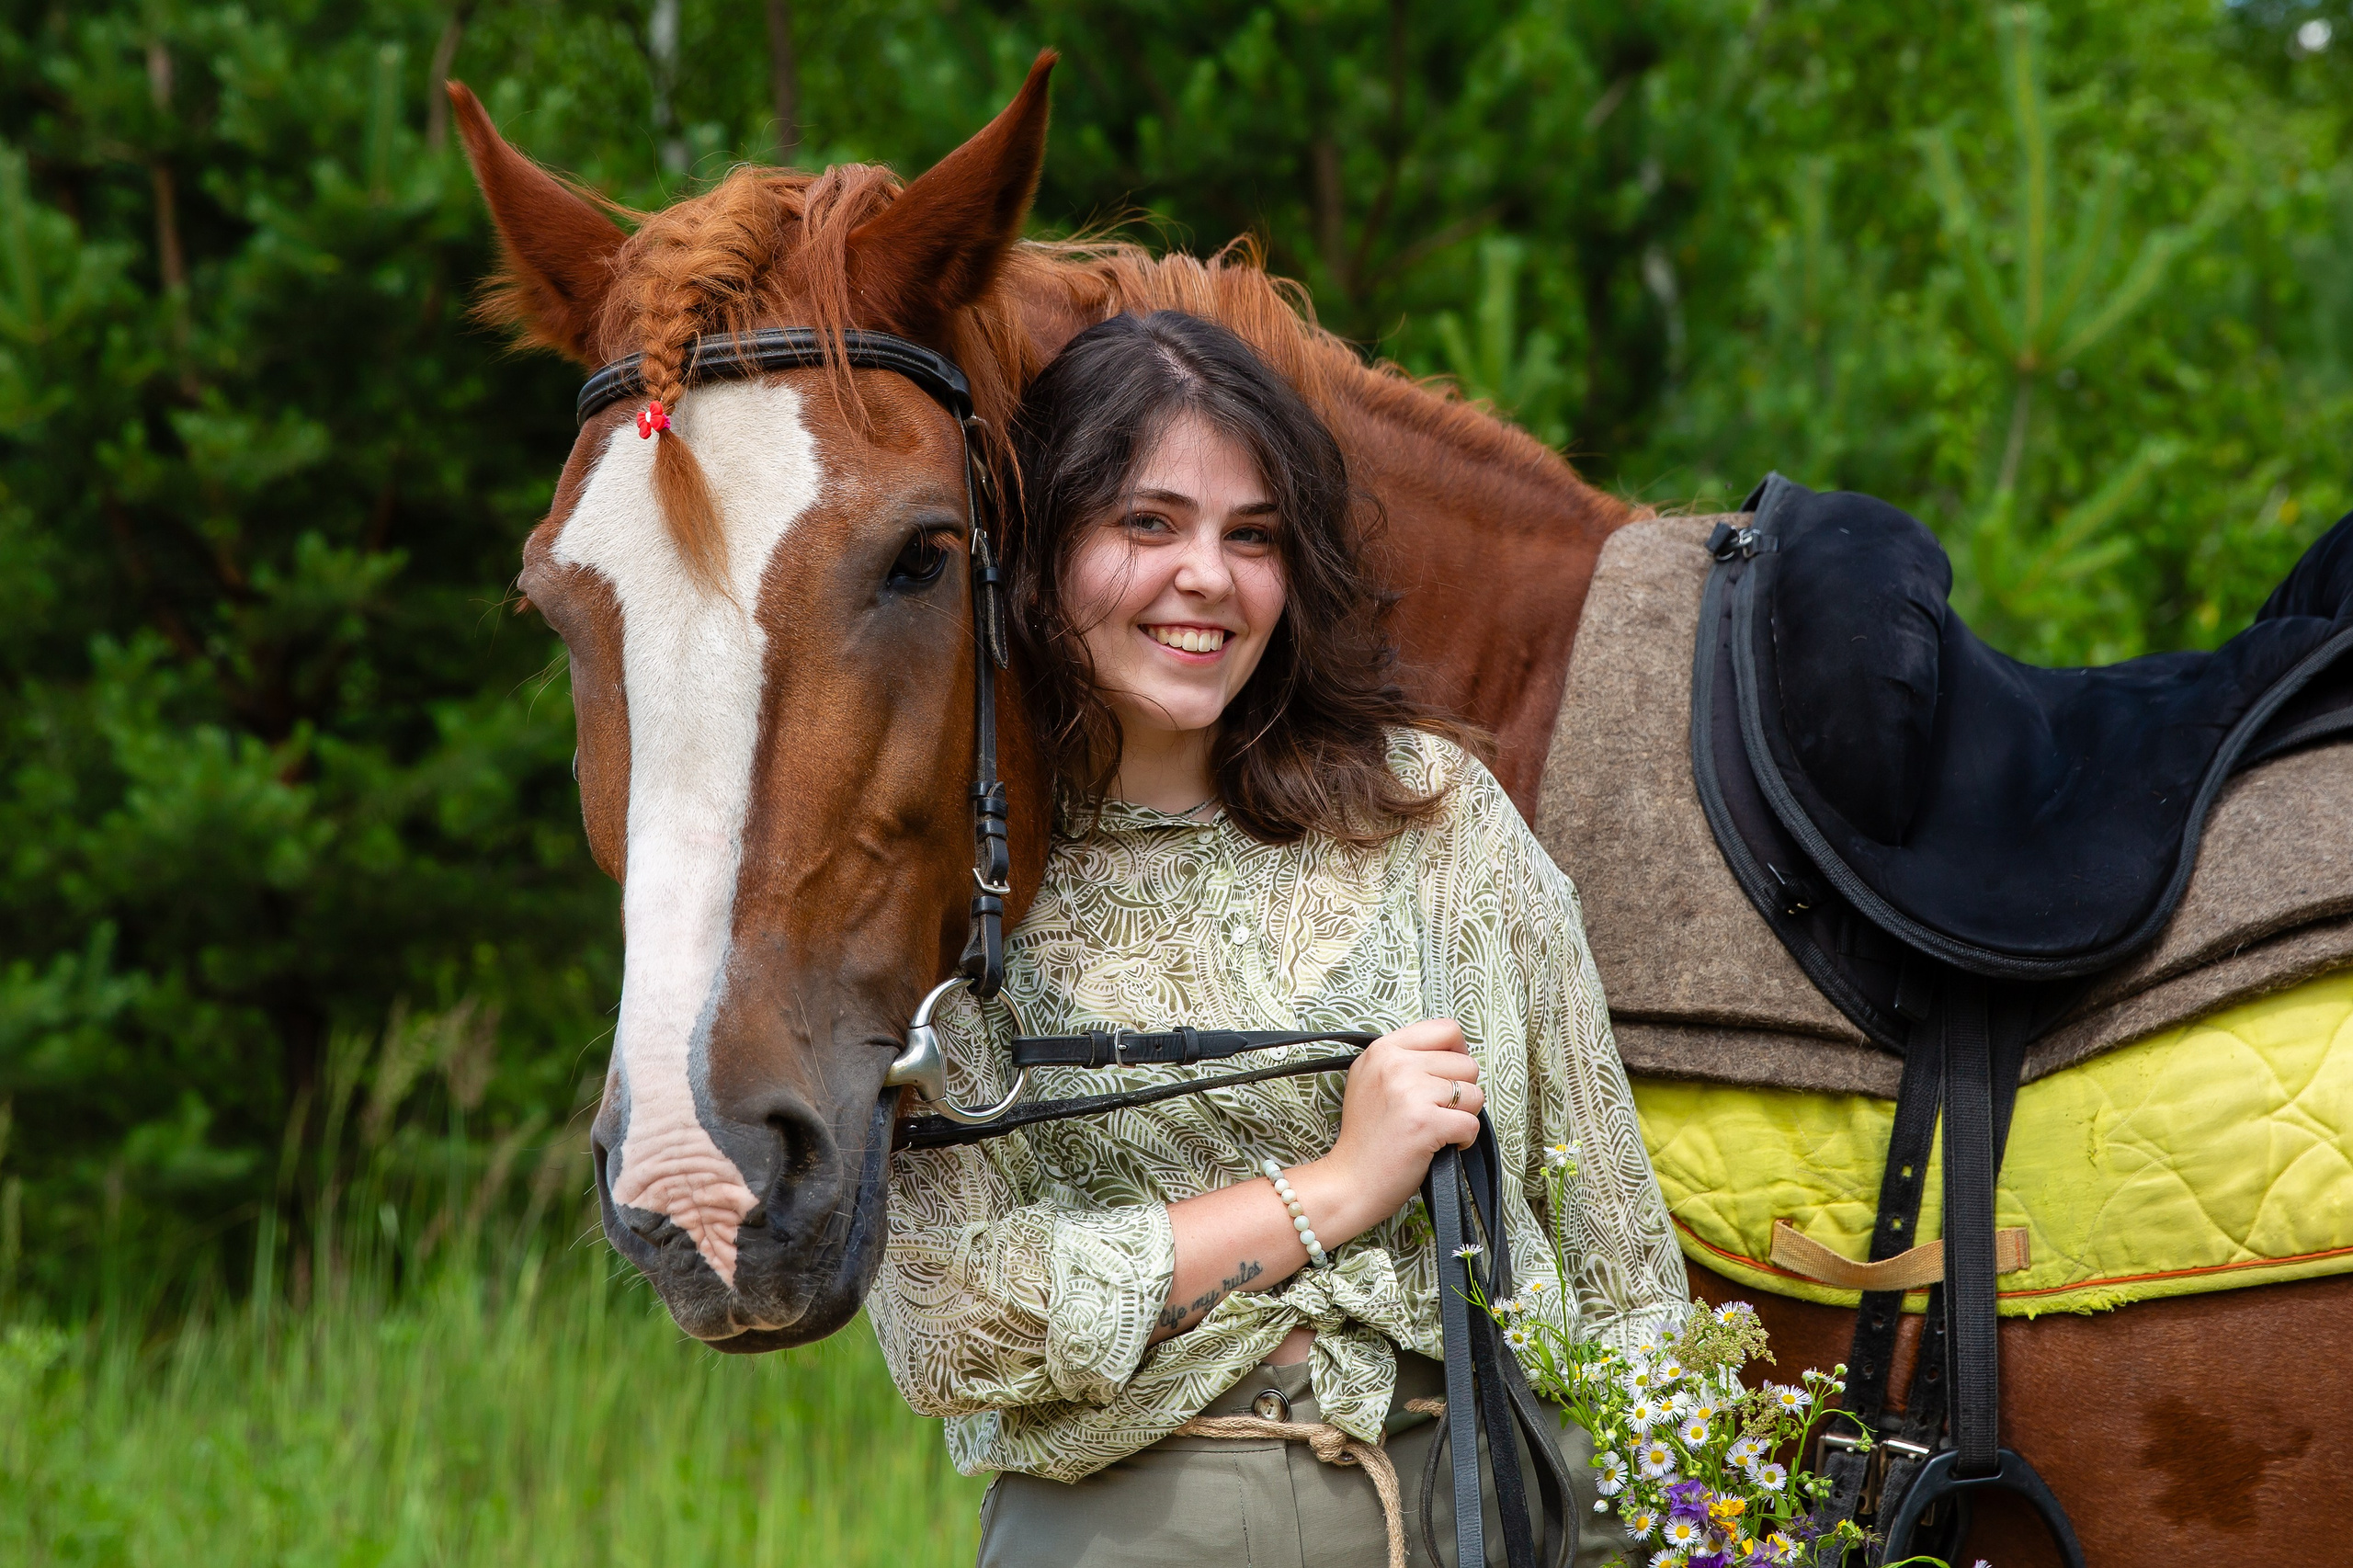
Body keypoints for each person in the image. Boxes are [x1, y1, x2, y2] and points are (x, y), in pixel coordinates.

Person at [869, 310, 1687, 1567]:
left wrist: (1681, 1514)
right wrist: (1338, 1187)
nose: (1208, 576)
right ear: (1038, 553)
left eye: (1252, 536)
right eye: (1149, 523)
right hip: (1133, 1536)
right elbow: (949, 1322)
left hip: (1478, 1513)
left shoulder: (1436, 818)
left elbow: (1623, 1269)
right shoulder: (957, 880)